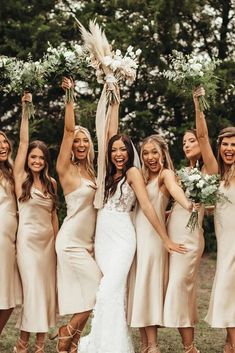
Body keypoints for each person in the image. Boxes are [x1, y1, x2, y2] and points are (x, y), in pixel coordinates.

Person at [79, 130, 187, 353]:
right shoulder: (109, 175)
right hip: (103, 240)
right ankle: (103, 343)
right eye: (114, 150)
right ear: (108, 154)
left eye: (123, 149)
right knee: (112, 290)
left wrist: (165, 239)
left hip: (122, 238)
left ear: (129, 152)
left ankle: (112, 346)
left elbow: (147, 206)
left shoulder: (133, 172)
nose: (118, 154)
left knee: (109, 290)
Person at [163, 87, 218, 353]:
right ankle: (189, 347)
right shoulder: (184, 171)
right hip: (173, 233)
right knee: (180, 287)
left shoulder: (210, 167)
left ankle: (190, 347)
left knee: (179, 287)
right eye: (184, 142)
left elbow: (205, 136)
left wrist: (197, 104)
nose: (187, 145)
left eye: (191, 141)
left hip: (189, 238)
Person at [127, 134, 193, 353]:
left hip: (154, 240)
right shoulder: (142, 177)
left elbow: (175, 191)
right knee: (140, 287)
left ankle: (153, 346)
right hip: (137, 239)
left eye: (154, 152)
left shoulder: (166, 175)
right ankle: (145, 344)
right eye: (145, 153)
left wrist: (188, 205)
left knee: (148, 288)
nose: (149, 157)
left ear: (163, 153)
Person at [53, 77, 102, 353]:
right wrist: (70, 96)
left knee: (90, 293)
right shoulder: (66, 170)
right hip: (70, 241)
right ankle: (65, 333)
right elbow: (68, 130)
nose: (81, 144)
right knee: (98, 290)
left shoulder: (93, 173)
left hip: (88, 243)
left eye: (85, 140)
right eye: (77, 141)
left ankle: (71, 343)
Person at [13, 92, 58, 353]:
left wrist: (57, 244)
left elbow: (53, 216)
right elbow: (22, 142)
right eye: (34, 158)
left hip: (47, 244)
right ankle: (22, 342)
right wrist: (26, 110)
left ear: (46, 161)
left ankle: (39, 344)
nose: (37, 161)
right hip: (28, 243)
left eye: (41, 158)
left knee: (44, 293)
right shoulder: (21, 178)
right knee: (33, 291)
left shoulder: (51, 184)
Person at [205, 126, 235, 353]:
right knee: (228, 287)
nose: (229, 149)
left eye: (234, 145)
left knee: (227, 286)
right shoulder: (218, 174)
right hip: (225, 240)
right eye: (225, 144)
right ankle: (230, 341)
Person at [0, 131, 21, 335]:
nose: (2, 146)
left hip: (9, 243)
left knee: (9, 298)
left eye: (4, 142)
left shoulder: (12, 171)